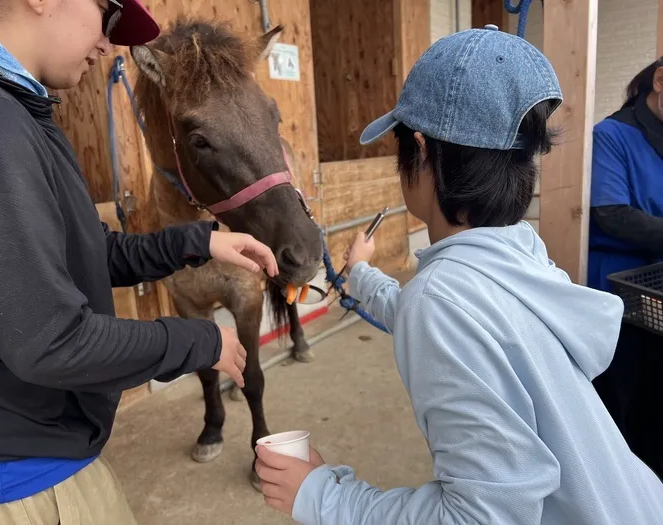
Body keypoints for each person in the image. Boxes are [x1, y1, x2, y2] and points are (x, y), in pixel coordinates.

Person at [254, 25, 663, 525]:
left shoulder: (444, 297)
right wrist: (361, 273)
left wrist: (321, 496)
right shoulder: (523, 257)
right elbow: (438, 314)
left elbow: (480, 517)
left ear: (421, 150)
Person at [0, 0, 280, 522]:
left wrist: (196, 243)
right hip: (13, 482)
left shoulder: (17, 112)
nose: (108, 43)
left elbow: (82, 252)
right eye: (107, 15)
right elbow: (50, 342)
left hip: (37, 453)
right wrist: (200, 341)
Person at [588, 57, 663, 479]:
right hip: (616, 284)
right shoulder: (612, 135)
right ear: (659, 80)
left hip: (657, 282)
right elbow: (611, 213)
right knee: (621, 397)